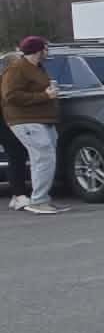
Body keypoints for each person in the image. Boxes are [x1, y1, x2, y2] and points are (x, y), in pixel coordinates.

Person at [2, 35, 66, 215]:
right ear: (38, 50)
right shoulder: (16, 69)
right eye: (46, 48)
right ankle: (38, 200)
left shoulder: (38, 68)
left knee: (46, 158)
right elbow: (11, 96)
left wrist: (50, 94)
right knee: (43, 157)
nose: (48, 51)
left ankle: (41, 199)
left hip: (44, 120)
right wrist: (44, 96)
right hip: (24, 120)